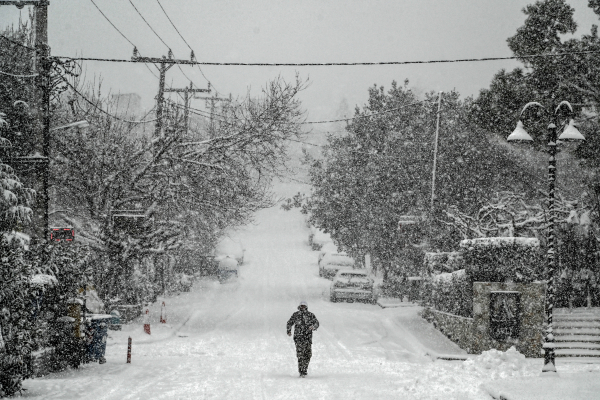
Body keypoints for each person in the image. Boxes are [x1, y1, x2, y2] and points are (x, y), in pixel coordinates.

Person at [286, 301, 319, 378]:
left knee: (308, 355)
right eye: (301, 306)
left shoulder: (310, 315)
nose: (303, 307)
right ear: (299, 307)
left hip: (308, 338)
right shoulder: (296, 315)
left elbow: (316, 323)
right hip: (298, 338)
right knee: (300, 355)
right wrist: (288, 330)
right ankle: (302, 371)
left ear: (306, 307)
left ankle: (305, 369)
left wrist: (313, 327)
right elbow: (289, 323)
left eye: (304, 306)